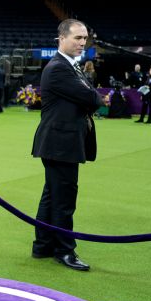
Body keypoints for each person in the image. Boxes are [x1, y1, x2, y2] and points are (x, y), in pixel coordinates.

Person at [31, 19, 104, 271]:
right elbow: (93, 99)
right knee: (63, 199)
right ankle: (64, 251)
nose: (82, 43)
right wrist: (92, 96)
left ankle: (42, 245)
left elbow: (88, 97)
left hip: (60, 142)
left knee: (52, 196)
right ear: (61, 38)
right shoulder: (59, 68)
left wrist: (89, 96)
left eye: (85, 38)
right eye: (77, 38)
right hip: (59, 143)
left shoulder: (70, 66)